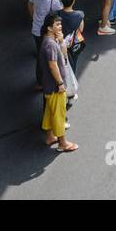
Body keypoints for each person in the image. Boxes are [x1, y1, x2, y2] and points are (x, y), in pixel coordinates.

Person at [39, 13, 78, 153]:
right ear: (49, 28)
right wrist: (60, 83)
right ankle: (63, 143)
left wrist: (61, 41)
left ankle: (50, 137)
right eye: (57, 24)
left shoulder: (53, 40)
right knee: (59, 114)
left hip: (50, 85)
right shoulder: (50, 44)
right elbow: (52, 65)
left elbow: (64, 54)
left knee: (50, 112)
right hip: (54, 86)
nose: (60, 26)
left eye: (60, 24)